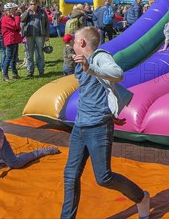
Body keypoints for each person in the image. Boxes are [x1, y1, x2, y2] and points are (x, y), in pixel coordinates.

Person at [61, 26, 149, 219]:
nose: (73, 44)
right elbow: (96, 91)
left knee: (104, 178)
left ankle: (142, 198)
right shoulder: (81, 61)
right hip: (80, 125)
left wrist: (89, 67)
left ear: (82, 43)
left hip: (98, 127)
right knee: (70, 175)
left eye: (75, 41)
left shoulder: (100, 57)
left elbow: (118, 74)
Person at [20, 0, 49, 77]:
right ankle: (30, 70)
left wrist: (47, 35)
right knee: (29, 54)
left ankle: (41, 70)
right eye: (31, 4)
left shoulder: (42, 12)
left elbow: (47, 24)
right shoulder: (27, 12)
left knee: (39, 53)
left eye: (33, 4)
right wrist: (27, 11)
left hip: (40, 35)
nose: (32, 6)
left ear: (37, 4)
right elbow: (22, 20)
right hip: (29, 35)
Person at [1, 3, 22, 82]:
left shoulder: (11, 17)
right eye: (14, 9)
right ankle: (5, 75)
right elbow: (16, 26)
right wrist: (17, 16)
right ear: (9, 10)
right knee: (9, 57)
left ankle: (14, 73)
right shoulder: (6, 19)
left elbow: (18, 28)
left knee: (14, 57)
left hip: (14, 39)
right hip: (10, 40)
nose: (15, 10)